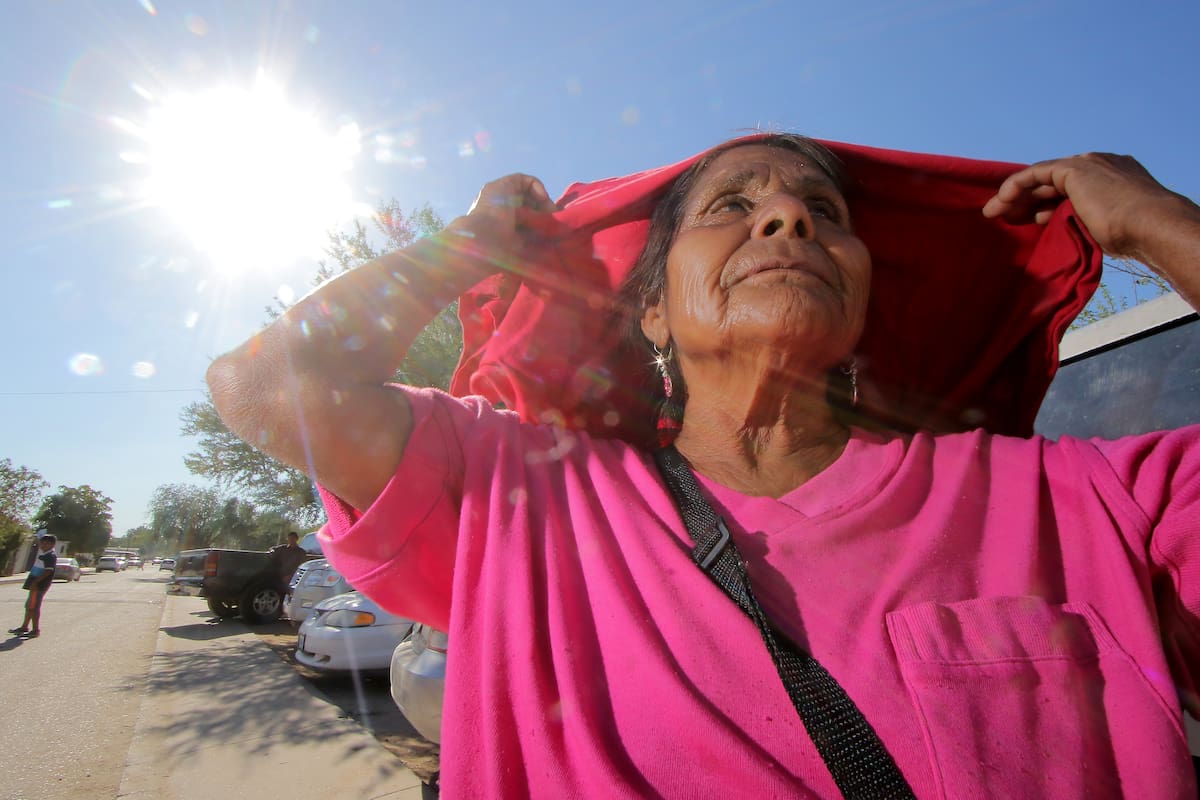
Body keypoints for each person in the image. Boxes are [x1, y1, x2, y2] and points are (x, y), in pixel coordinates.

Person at [208, 133, 1200, 798]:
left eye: (824, 209)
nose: (789, 219)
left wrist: (1155, 218)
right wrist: (461, 246)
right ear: (652, 311)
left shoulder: (1082, 498)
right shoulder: (524, 493)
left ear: (859, 305)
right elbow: (267, 388)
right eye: (733, 204)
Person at [10, 534, 57, 639]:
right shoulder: (44, 554)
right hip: (35, 583)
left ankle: (35, 630)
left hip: (39, 585)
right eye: (42, 543)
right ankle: (24, 627)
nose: (43, 545)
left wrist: (36, 582)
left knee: (34, 607)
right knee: (29, 606)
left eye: (46, 543)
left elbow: (49, 571)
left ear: (52, 544)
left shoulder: (50, 556)